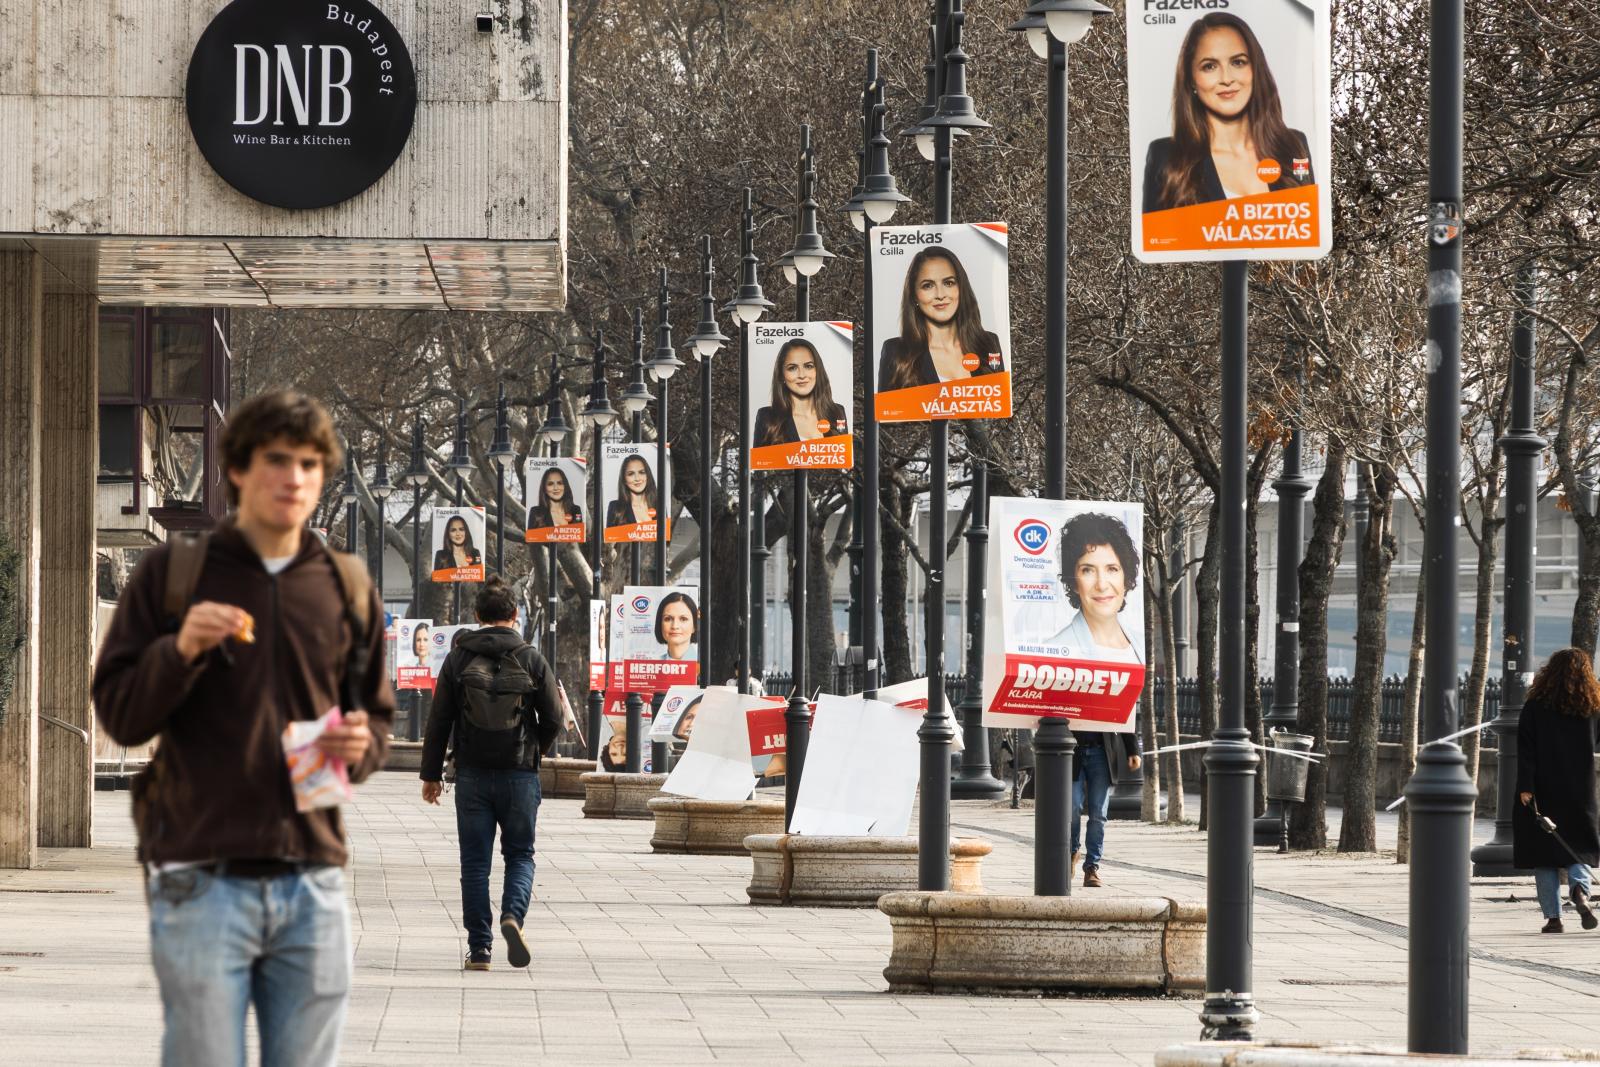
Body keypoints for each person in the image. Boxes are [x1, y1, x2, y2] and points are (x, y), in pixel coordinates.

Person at [92, 390, 393, 1067]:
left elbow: (374, 715)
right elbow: (119, 714)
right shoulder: (175, 574)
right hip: (201, 876)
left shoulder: (346, 585)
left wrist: (362, 744)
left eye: (310, 464)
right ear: (237, 469)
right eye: (277, 460)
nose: (295, 478)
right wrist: (180, 651)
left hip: (312, 877)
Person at [420, 576, 562, 970]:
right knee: (520, 855)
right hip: (519, 774)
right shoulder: (531, 657)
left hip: (472, 774)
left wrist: (430, 775)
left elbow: (439, 720)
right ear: (515, 614)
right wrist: (535, 749)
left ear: (477, 614)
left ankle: (480, 948)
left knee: (474, 864)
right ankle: (512, 915)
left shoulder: (458, 659)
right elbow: (554, 717)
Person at [1047, 513, 1145, 888]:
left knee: (1100, 813)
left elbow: (1125, 705)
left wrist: (1132, 748)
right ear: (1073, 579)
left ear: (1126, 576)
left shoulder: (1132, 647)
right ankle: (1071, 852)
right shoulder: (1060, 646)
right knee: (1072, 808)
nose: (1102, 583)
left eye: (1112, 568)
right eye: (1088, 569)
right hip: (1072, 747)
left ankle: (1092, 866)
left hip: (1103, 749)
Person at [1141, 12, 1314, 215]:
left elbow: (1310, 226)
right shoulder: (1167, 159)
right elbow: (1154, 234)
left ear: (1255, 69)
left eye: (1238, 62)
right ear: (1191, 80)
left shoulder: (1293, 146)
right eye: (1209, 66)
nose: (1226, 78)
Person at [1514, 647, 1600, 933]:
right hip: (1580, 789)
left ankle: (1553, 919)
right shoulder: (1592, 706)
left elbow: (1526, 749)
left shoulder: (1536, 705)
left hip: (1543, 786)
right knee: (1580, 848)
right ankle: (1580, 892)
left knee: (1545, 854)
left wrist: (1526, 787)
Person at [876, 246, 1004, 392]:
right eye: (928, 286)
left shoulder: (989, 343)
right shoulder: (897, 352)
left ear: (961, 288)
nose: (940, 294)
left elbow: (1001, 403)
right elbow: (885, 407)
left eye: (948, 283)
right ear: (914, 295)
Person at [753, 338, 849, 446]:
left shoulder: (837, 412)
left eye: (808, 366)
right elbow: (759, 457)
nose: (802, 375)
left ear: (817, 370)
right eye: (792, 368)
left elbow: (845, 455)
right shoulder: (767, 418)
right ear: (781, 375)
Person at [604, 455, 658, 530]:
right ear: (624, 480)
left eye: (642, 472)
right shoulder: (616, 508)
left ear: (648, 476)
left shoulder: (659, 506)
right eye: (631, 474)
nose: (637, 478)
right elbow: (610, 537)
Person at [526, 465, 583, 530]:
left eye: (560, 483)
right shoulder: (536, 512)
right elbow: (531, 536)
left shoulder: (576, 510)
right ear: (544, 489)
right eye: (550, 484)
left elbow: (580, 534)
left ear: (565, 486)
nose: (556, 488)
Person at [655, 591, 698, 661]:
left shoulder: (705, 664)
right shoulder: (652, 663)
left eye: (683, 619)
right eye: (668, 619)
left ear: (694, 626)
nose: (675, 626)